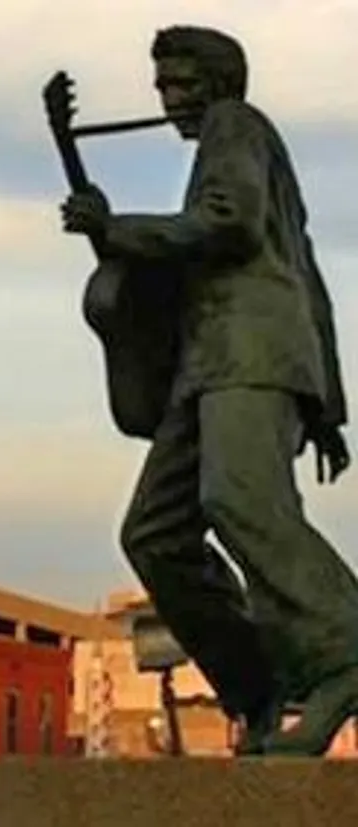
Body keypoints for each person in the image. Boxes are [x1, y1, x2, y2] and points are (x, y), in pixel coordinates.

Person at [60, 24, 355, 756]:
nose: (171, 101)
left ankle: (346, 655)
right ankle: (258, 685)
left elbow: (231, 225)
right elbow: (305, 265)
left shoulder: (237, 125)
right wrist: (330, 403)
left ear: (220, 83)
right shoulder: (238, 143)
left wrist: (117, 228)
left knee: (242, 502)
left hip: (249, 350)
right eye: (163, 87)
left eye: (183, 85)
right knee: (155, 533)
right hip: (209, 366)